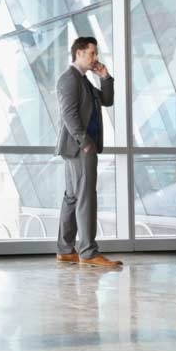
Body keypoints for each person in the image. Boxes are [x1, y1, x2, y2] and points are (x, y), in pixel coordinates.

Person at [55, 37, 123, 267]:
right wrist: (85, 142)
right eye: (92, 53)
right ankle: (88, 252)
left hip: (80, 147)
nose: (96, 57)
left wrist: (104, 76)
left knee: (73, 198)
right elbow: (69, 114)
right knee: (86, 198)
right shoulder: (69, 79)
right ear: (79, 53)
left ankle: (65, 250)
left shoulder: (83, 80)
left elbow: (107, 100)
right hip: (80, 148)